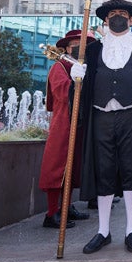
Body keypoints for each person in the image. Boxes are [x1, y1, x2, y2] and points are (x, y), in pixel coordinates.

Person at [74, 0, 132, 254]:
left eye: (122, 14)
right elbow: (80, 90)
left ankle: (131, 230)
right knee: (103, 170)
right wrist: (77, 78)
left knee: (130, 169)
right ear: (105, 20)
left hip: (130, 116)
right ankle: (103, 231)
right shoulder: (91, 50)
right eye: (112, 15)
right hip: (100, 115)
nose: (117, 18)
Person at [38, 29, 94, 229]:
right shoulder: (59, 67)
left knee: (72, 167)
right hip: (64, 123)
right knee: (58, 166)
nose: (81, 49)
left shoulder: (85, 66)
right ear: (68, 48)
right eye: (77, 45)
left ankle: (66, 206)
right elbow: (63, 93)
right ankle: (51, 212)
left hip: (79, 123)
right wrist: (76, 82)